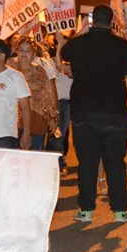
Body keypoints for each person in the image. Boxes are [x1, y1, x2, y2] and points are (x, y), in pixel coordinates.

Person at [60, 5, 127, 223]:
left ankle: (86, 211)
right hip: (114, 114)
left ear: (91, 20)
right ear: (112, 21)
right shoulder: (121, 45)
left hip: (83, 114)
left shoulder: (78, 44)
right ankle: (120, 212)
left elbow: (64, 53)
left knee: (87, 163)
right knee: (115, 163)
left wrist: (82, 31)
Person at [9, 37, 59, 151]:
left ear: (33, 54)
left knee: (34, 157)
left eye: (28, 50)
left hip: (37, 120)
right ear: (17, 52)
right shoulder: (10, 67)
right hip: (13, 120)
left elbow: (48, 94)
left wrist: (53, 117)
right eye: (21, 50)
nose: (24, 54)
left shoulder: (39, 70)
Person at [49, 34, 74, 173]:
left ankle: (58, 161)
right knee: (57, 134)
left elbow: (63, 68)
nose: (63, 44)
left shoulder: (74, 64)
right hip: (56, 103)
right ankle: (57, 163)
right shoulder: (48, 62)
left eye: (65, 41)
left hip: (70, 103)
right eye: (60, 42)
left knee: (62, 135)